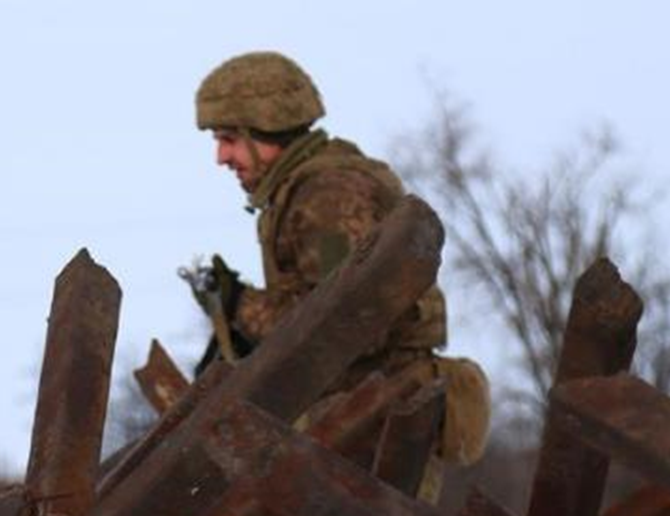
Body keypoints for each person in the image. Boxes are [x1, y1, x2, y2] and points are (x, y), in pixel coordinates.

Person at [189, 50, 489, 488]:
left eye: (229, 138)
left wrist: (239, 304)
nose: (221, 156)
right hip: (357, 421)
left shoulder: (329, 196)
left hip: (373, 424)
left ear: (266, 129)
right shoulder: (306, 190)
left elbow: (347, 325)